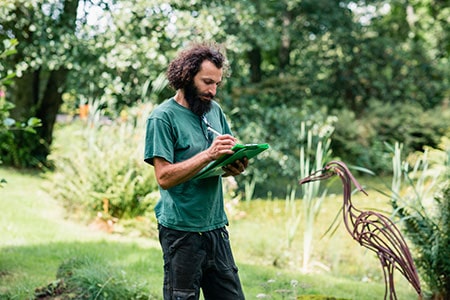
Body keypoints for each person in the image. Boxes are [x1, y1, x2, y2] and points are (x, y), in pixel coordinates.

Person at [144, 42, 247, 300]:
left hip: (215, 227)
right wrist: (208, 154)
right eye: (207, 82)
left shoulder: (215, 112)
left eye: (217, 84)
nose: (212, 91)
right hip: (181, 232)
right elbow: (164, 177)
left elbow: (217, 164)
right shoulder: (162, 118)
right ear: (187, 76)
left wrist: (234, 165)